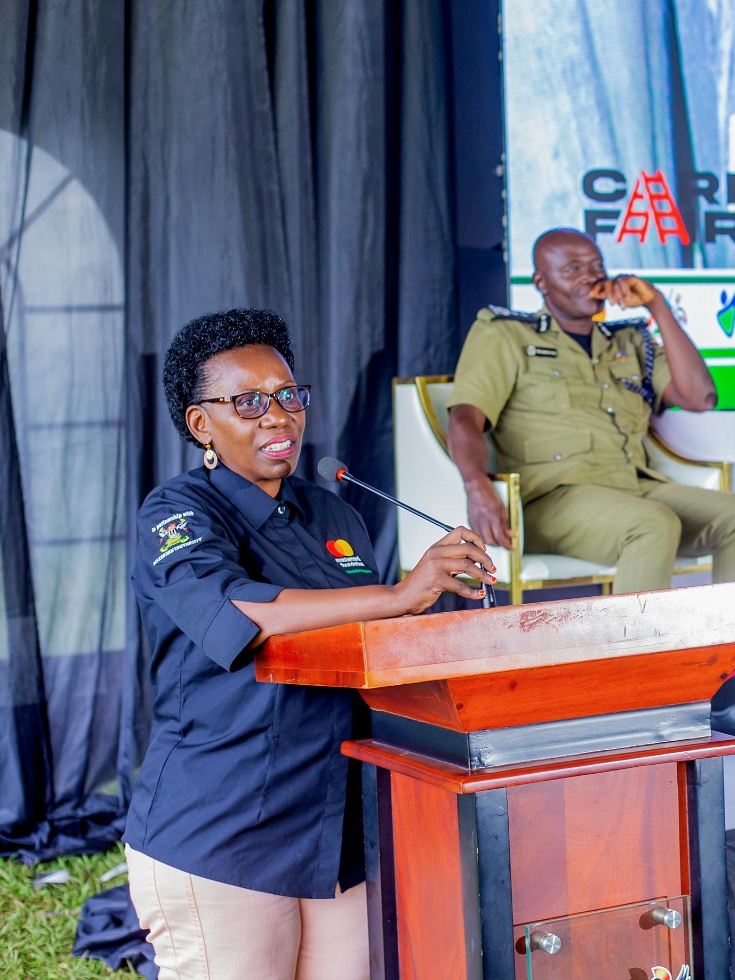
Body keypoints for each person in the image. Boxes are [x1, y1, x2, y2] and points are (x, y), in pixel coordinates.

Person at [127, 309, 496, 979]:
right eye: (248, 402)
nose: (278, 416)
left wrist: (444, 611)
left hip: (334, 827)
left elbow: (370, 643)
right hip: (226, 826)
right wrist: (397, 595)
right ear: (201, 424)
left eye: (289, 396)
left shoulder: (334, 512)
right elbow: (237, 609)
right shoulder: (177, 513)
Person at [447, 228, 735, 752]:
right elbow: (465, 416)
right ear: (541, 282)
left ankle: (730, 695)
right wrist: (476, 483)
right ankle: (631, 704)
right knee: (652, 524)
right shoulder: (506, 335)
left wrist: (658, 306)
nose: (589, 277)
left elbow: (700, 396)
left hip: (633, 489)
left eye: (595, 265)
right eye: (571, 269)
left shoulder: (629, 341)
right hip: (553, 500)